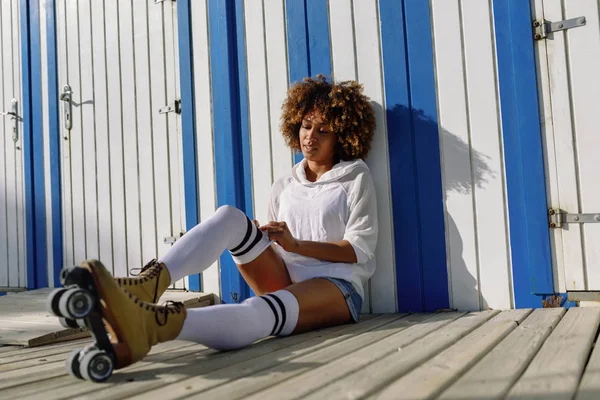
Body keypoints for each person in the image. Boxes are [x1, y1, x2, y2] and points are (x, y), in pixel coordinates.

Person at [75, 74, 378, 370]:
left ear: (342, 135)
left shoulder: (354, 177)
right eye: (306, 126)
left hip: (337, 288)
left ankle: (150, 325)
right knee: (231, 217)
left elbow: (357, 250)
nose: (310, 137)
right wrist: (265, 235)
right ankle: (149, 285)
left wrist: (296, 244)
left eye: (323, 130)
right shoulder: (286, 182)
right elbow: (280, 240)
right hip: (286, 277)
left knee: (260, 310)